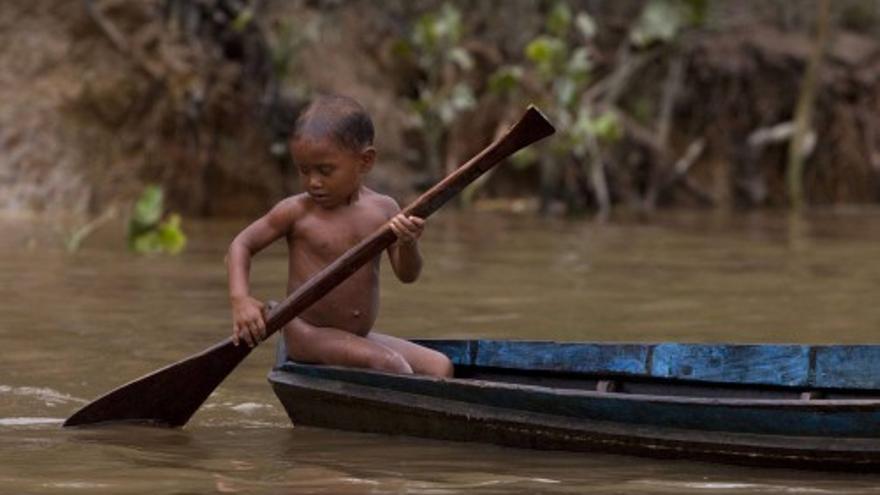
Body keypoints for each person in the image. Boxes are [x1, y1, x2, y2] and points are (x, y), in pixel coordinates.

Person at [226, 94, 454, 378]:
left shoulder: (385, 210)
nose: (313, 182)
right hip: (308, 334)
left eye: (325, 170)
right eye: (304, 170)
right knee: (392, 366)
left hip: (355, 337)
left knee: (440, 366)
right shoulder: (296, 212)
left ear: (365, 161)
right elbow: (241, 245)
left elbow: (408, 275)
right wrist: (241, 300)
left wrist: (408, 243)